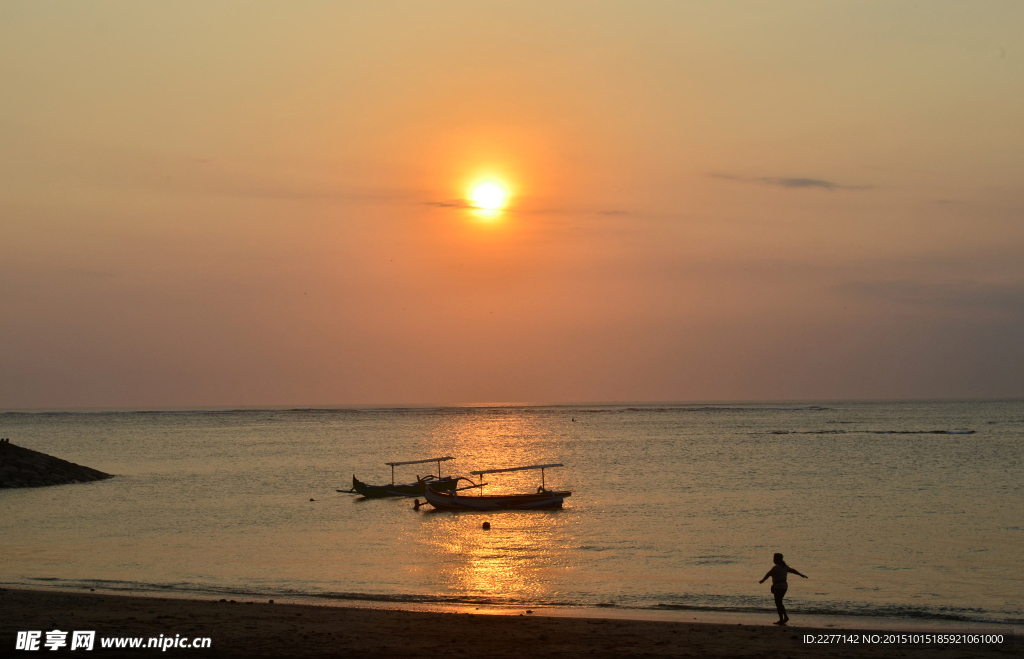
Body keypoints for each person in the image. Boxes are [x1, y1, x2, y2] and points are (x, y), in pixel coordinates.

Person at [759, 552, 808, 625]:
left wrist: (763, 580)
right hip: (784, 585)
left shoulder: (776, 567)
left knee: (778, 603)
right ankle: (785, 617)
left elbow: (768, 574)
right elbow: (793, 570)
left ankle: (782, 619)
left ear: (777, 559)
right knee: (779, 602)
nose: (773, 560)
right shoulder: (785, 566)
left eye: (774, 558)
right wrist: (801, 574)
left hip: (778, 586)